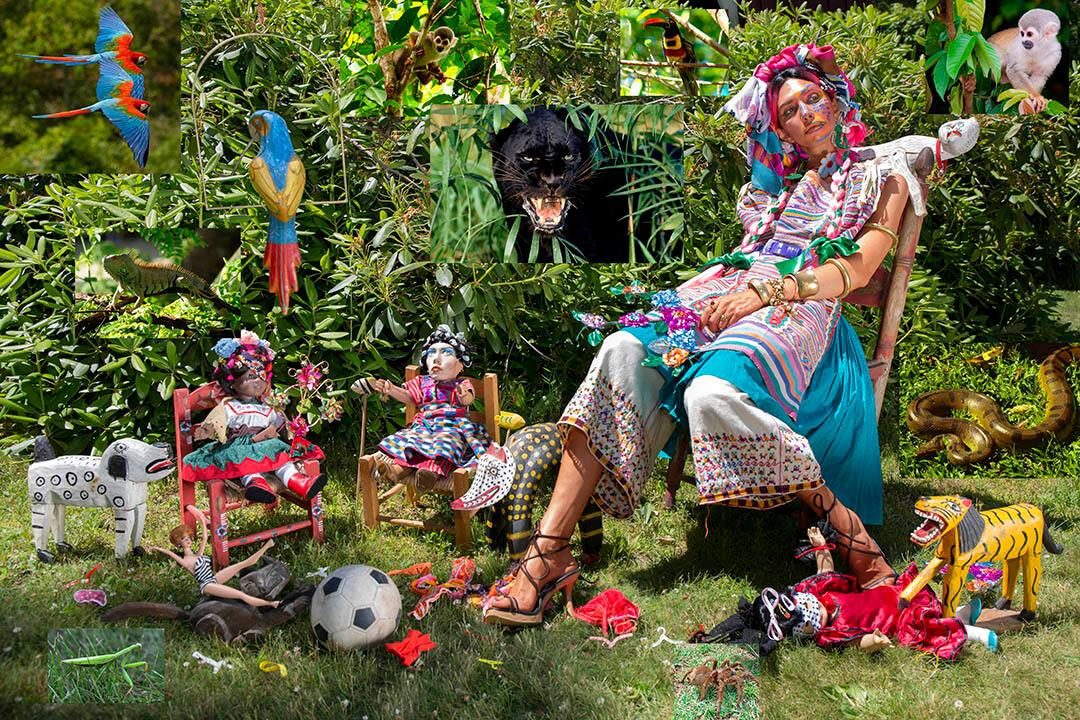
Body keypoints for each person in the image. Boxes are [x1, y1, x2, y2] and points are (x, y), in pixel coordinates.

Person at [485, 44, 911, 627]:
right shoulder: (773, 188)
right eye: (788, 110)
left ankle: (848, 533)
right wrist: (735, 289)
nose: (805, 114)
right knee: (621, 348)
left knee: (708, 394)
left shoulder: (882, 178)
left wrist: (764, 295)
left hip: (801, 304)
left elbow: (857, 271)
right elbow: (749, 251)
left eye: (813, 98)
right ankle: (549, 551)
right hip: (729, 284)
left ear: (835, 101)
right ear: (778, 127)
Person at [182, 330, 325, 503]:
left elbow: (280, 425)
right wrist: (206, 430)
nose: (257, 381)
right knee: (244, 461)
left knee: (281, 456)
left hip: (266, 446)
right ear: (232, 382)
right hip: (240, 446)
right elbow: (216, 422)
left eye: (261, 375)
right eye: (250, 376)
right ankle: (255, 483)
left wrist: (290, 431)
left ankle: (299, 482)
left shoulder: (267, 406)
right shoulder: (229, 407)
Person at [359, 325, 491, 490]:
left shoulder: (461, 383)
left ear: (460, 365)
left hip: (452, 428)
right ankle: (394, 472)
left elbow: (468, 400)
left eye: (446, 353)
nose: (437, 359)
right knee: (410, 445)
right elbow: (409, 397)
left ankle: (429, 475)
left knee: (445, 446)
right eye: (431, 353)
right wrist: (391, 389)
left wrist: (464, 395)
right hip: (424, 428)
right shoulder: (422, 383)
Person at [149, 505, 279, 608]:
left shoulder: (196, 555)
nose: (188, 541)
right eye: (184, 539)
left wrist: (201, 519)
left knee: (243, 563)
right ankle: (270, 604)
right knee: (240, 595)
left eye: (188, 537)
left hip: (213, 578)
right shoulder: (186, 561)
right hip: (207, 585)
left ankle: (268, 545)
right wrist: (157, 548)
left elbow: (205, 538)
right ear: (179, 544)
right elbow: (170, 554)